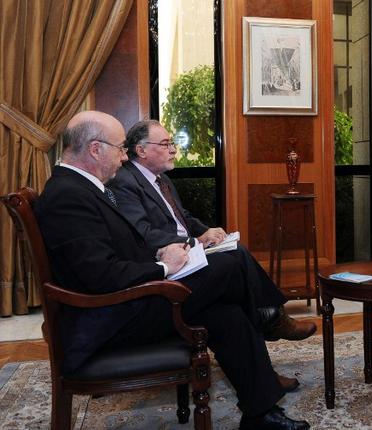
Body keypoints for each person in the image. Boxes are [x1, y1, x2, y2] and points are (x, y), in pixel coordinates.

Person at [35, 111, 310, 430]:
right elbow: (99, 276)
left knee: (226, 312)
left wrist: (162, 253)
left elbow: (115, 251)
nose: (124, 156)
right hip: (112, 318)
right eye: (121, 148)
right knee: (232, 264)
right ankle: (268, 318)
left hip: (126, 302)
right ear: (96, 149)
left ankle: (261, 414)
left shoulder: (80, 187)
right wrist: (164, 266)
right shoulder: (68, 196)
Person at [108, 119, 316, 344]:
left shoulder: (161, 179)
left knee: (234, 254)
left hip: (187, 249)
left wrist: (207, 232)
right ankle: (272, 318)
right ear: (141, 150)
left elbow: (183, 217)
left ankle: (269, 318)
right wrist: (195, 241)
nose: (173, 150)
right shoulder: (125, 181)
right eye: (166, 144)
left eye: (172, 143)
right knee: (236, 256)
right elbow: (143, 233)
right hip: (169, 260)